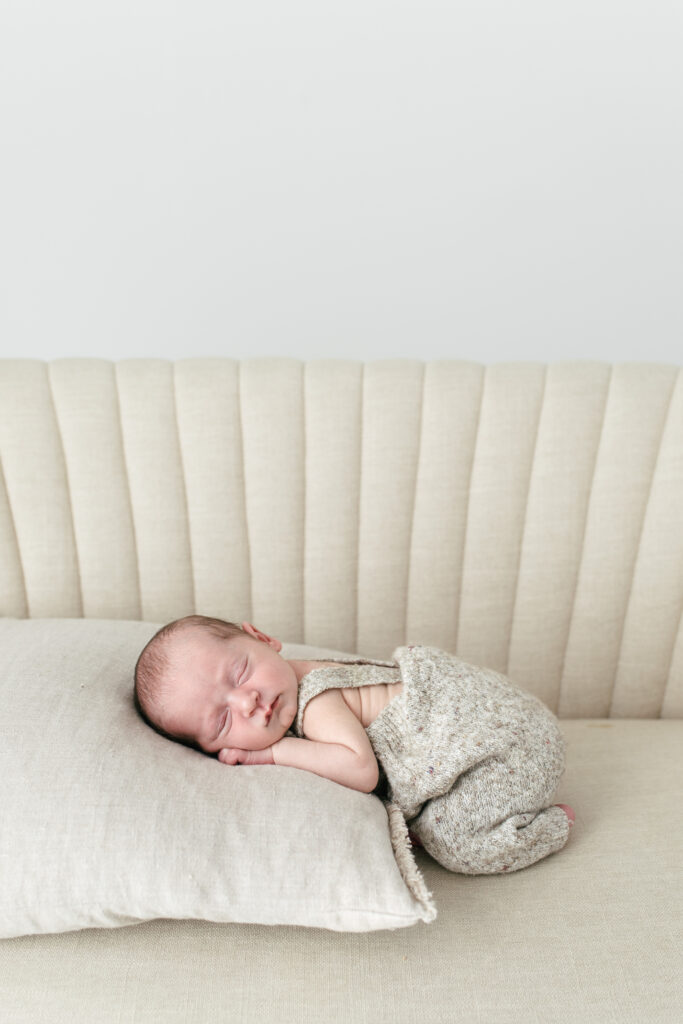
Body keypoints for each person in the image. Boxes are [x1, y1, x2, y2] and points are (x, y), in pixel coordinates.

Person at [134, 614, 575, 874]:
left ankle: (548, 828)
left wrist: (269, 753)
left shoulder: (316, 700)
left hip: (508, 745)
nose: (247, 701)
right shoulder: (291, 679)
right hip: (503, 718)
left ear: (263, 638)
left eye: (239, 673)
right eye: (223, 719)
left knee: (455, 844)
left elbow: (361, 771)